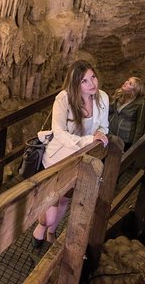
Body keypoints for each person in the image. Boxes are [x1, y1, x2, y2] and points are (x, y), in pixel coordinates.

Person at [32, 60, 109, 248]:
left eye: (93, 77)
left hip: (81, 161)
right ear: (75, 83)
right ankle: (41, 228)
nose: (92, 84)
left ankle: (50, 233)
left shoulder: (103, 98)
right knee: (48, 213)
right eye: (84, 81)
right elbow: (58, 132)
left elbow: (104, 126)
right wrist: (87, 141)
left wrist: (101, 135)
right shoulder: (64, 99)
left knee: (66, 199)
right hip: (57, 159)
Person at [109, 77, 145, 151]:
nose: (126, 82)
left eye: (130, 83)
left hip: (125, 139)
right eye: (128, 80)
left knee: (119, 160)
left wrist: (134, 146)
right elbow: (110, 110)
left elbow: (140, 125)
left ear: (135, 91)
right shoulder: (119, 94)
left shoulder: (140, 104)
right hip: (111, 133)